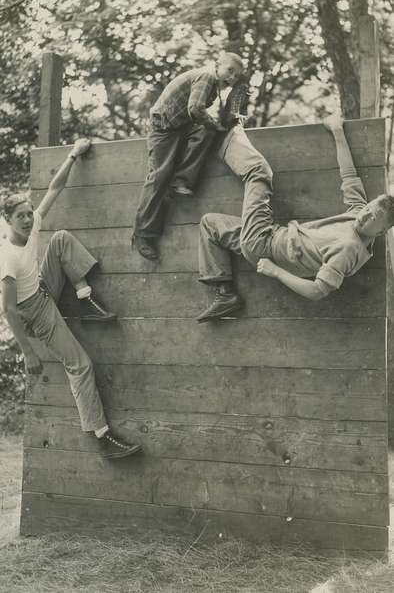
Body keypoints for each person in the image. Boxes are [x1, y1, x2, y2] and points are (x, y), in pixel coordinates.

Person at [1, 138, 142, 459]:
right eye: (20, 216)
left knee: (61, 239)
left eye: (27, 214)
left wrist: (73, 155)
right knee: (80, 365)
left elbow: (54, 189)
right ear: (7, 220)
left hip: (41, 286)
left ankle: (84, 296)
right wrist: (28, 352)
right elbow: (8, 310)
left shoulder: (31, 225)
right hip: (32, 311)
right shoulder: (6, 257)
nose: (27, 219)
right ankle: (101, 435)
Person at [197, 116, 394, 322]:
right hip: (268, 237)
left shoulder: (349, 249)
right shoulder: (357, 213)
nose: (364, 215)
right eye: (369, 208)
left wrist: (275, 272)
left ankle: (225, 130)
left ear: (380, 232)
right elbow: (349, 174)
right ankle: (225, 294)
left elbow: (317, 290)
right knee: (210, 224)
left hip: (263, 242)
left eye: (372, 217)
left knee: (259, 173)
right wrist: (337, 131)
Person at [132, 52, 245, 261]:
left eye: (236, 76)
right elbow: (195, 109)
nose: (232, 77)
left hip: (181, 126)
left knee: (208, 131)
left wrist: (225, 122)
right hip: (164, 128)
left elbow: (200, 116)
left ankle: (181, 180)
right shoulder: (208, 76)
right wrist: (215, 124)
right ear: (217, 64)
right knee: (159, 176)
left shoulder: (215, 86)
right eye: (230, 70)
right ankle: (142, 235)